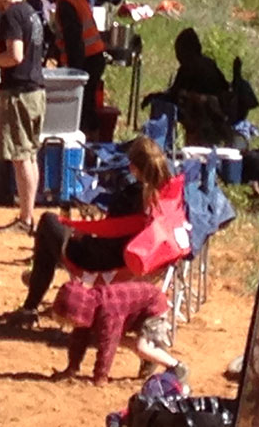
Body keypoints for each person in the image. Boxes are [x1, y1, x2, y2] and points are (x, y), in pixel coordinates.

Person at [17, 135, 177, 315]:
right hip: (143, 264)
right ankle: (37, 279)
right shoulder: (168, 196)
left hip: (104, 265)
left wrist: (85, 234)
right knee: (57, 233)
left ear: (132, 167)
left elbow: (112, 233)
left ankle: (31, 302)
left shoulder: (130, 196)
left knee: (48, 222)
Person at [0, 0, 46, 234]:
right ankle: (28, 215)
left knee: (21, 157)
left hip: (19, 93)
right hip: (36, 91)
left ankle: (25, 218)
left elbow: (15, 56)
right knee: (29, 155)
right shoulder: (30, 12)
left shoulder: (10, 14)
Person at [48, 275, 182, 387]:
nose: (72, 325)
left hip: (154, 307)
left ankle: (176, 367)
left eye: (72, 321)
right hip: (135, 310)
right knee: (115, 338)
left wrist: (101, 376)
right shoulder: (90, 306)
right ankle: (151, 356)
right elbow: (79, 339)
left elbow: (108, 345)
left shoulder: (108, 312)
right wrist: (72, 368)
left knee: (142, 348)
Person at [47, 0, 109, 137]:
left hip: (86, 60)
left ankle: (87, 143)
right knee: (87, 104)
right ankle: (91, 140)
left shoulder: (66, 2)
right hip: (93, 57)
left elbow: (74, 41)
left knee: (83, 106)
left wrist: (74, 74)